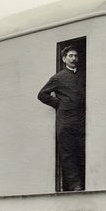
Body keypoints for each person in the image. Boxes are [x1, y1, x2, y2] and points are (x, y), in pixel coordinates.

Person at [37, 46, 85, 191]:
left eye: (76, 56)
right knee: (68, 153)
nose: (74, 58)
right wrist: (60, 104)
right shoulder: (58, 77)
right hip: (65, 120)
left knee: (81, 151)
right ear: (64, 59)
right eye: (70, 56)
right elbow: (42, 95)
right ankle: (74, 185)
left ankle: (83, 182)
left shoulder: (83, 75)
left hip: (81, 119)